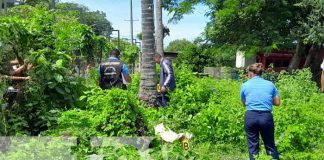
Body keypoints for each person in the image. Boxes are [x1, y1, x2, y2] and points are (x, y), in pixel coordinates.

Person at [240, 63, 280, 160]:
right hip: (266, 117)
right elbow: (277, 102)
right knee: (270, 145)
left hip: (251, 116)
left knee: (253, 146)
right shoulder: (270, 84)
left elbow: (243, 103)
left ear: (250, 73)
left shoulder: (245, 85)